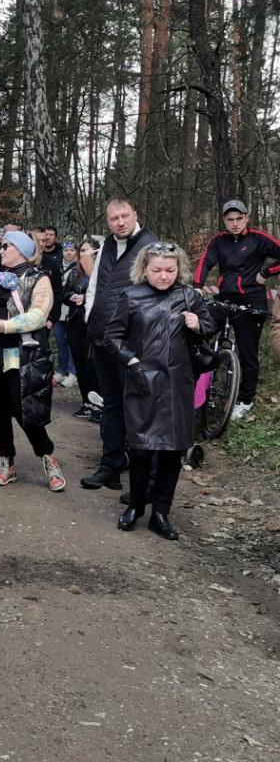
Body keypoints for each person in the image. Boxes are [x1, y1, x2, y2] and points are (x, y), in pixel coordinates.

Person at [105, 243, 213, 540]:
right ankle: (136, 506)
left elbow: (209, 326)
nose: (163, 276)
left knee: (172, 451)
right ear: (144, 269)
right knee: (140, 450)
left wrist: (198, 323)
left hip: (177, 385)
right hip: (143, 383)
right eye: (157, 270)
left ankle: (161, 513)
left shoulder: (189, 296)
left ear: (179, 270)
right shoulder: (132, 296)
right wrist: (132, 361)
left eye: (170, 270)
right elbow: (112, 337)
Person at [0, 231, 65, 491]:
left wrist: (4, 326)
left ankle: (48, 458)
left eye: (6, 246)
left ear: (20, 250)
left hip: (22, 356)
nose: (1, 250)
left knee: (25, 411)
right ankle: (5, 462)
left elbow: (39, 315)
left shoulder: (38, 279)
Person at [81, 197, 159, 490]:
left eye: (125, 216)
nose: (120, 222)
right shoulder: (107, 246)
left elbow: (157, 295)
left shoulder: (152, 247)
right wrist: (90, 319)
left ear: (135, 215)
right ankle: (109, 466)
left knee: (138, 410)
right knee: (111, 406)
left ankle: (144, 485)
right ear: (108, 221)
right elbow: (95, 286)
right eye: (114, 218)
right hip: (102, 339)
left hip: (132, 344)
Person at [193, 199, 280, 420]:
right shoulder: (218, 241)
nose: (234, 223)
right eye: (230, 219)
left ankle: (245, 399)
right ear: (224, 220)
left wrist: (266, 273)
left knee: (248, 351)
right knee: (198, 331)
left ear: (246, 218)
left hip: (251, 301)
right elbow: (205, 262)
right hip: (224, 299)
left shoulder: (258, 239)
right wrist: (197, 286)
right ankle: (196, 382)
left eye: (239, 218)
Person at [64, 239, 101, 420]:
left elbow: (101, 293)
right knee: (79, 363)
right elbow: (64, 295)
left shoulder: (101, 272)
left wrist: (85, 297)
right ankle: (87, 402)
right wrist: (72, 296)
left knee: (91, 365)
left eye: (88, 251)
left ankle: (98, 404)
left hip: (92, 324)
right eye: (82, 251)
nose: (84, 254)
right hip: (75, 320)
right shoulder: (73, 274)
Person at [52, 240, 78, 387]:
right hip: (58, 310)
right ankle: (61, 370)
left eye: (72, 250)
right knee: (61, 342)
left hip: (71, 310)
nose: (68, 253)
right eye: (66, 250)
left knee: (71, 343)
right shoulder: (57, 267)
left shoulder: (78, 269)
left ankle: (73, 373)